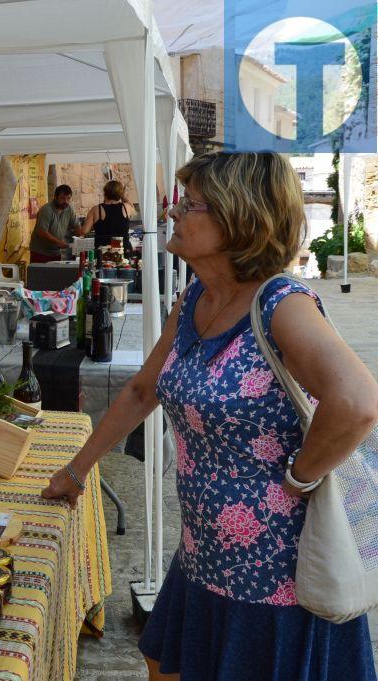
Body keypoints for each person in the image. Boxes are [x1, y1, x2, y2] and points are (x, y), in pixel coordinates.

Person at [42, 152, 378, 681]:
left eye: (189, 204)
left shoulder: (281, 305)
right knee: (162, 663)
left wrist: (300, 476)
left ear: (238, 217)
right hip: (204, 553)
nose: (172, 213)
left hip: (274, 576)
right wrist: (76, 470)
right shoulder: (197, 294)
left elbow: (357, 403)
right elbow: (140, 390)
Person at [78, 179, 137, 257]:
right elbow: (133, 208)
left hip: (103, 254)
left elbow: (84, 231)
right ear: (120, 194)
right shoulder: (126, 207)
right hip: (124, 252)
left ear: (105, 193)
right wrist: (122, 196)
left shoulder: (96, 209)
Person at [29, 184, 79, 263]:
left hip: (55, 253)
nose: (66, 201)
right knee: (39, 275)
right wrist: (58, 242)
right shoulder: (46, 210)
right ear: (55, 197)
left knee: (55, 274)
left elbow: (76, 226)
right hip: (40, 252)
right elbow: (41, 231)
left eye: (68, 198)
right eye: (62, 198)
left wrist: (81, 236)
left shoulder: (69, 209)